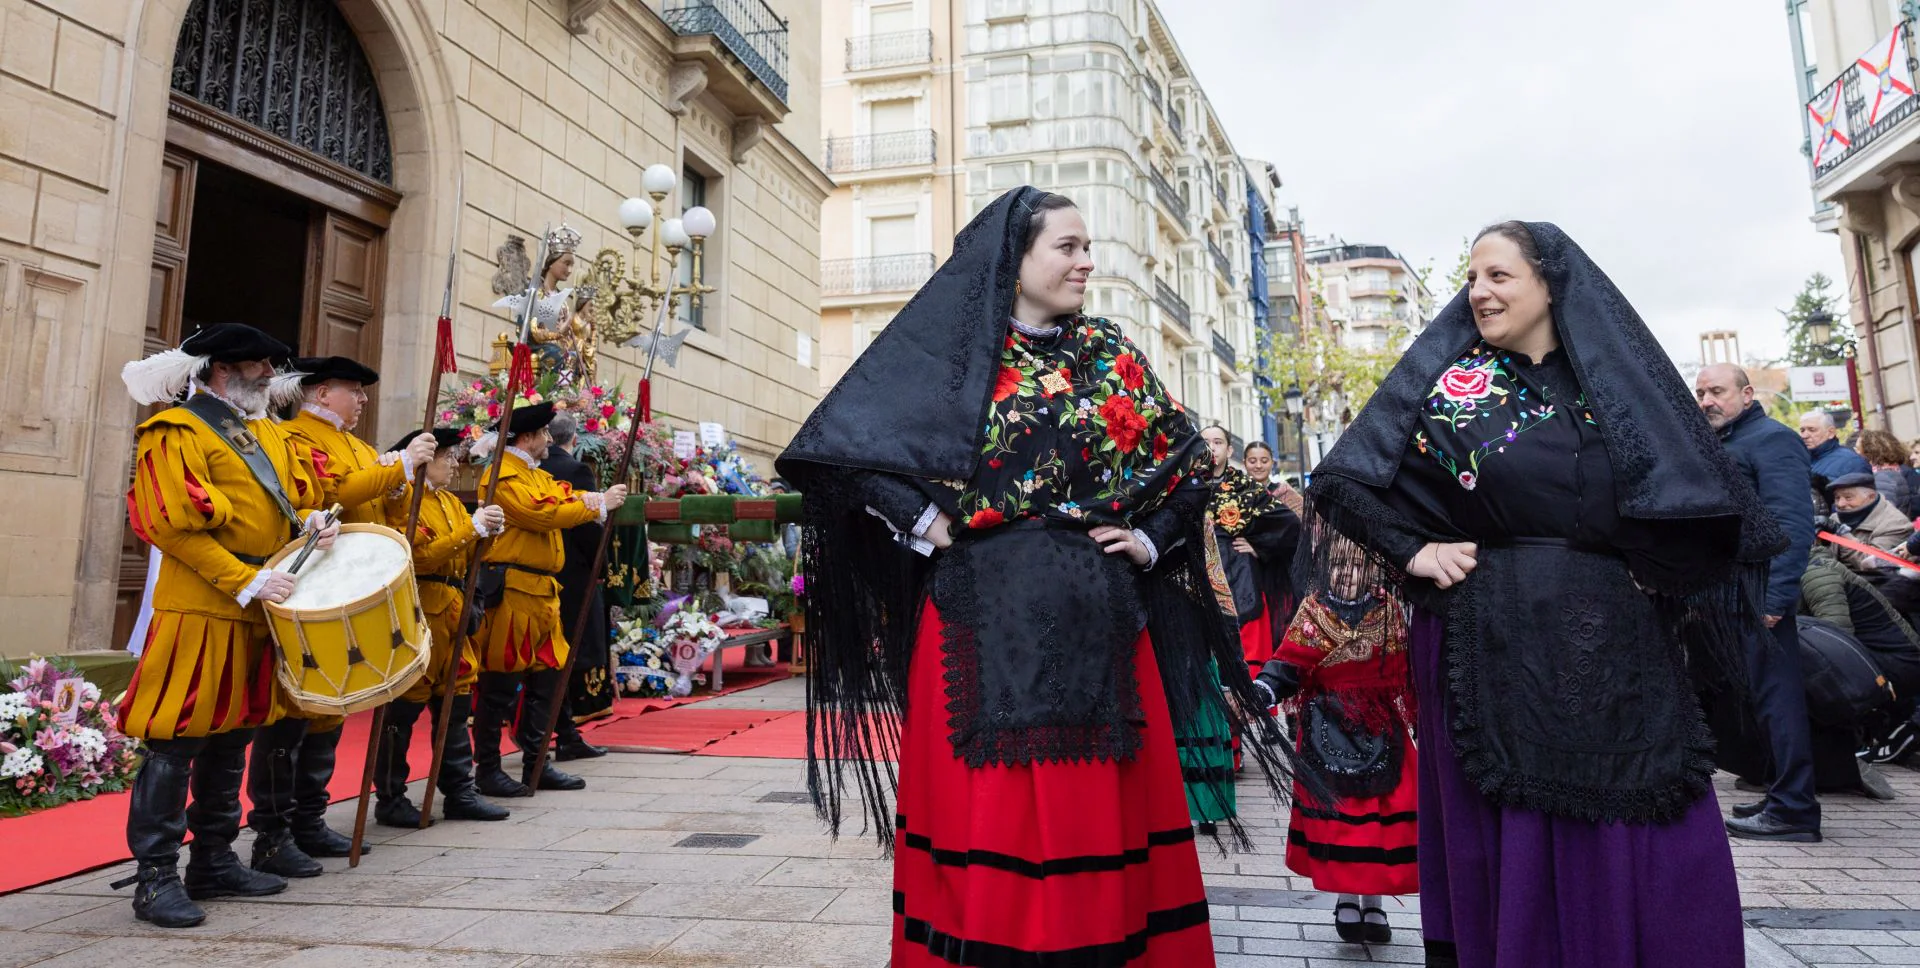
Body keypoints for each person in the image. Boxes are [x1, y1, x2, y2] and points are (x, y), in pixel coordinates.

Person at [778, 187, 1286, 966]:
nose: (1087, 261)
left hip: (1102, 618)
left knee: (1099, 811)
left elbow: (1191, 466)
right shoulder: (948, 356)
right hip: (978, 618)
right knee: (991, 815)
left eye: (1088, 247)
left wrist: (1149, 541)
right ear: (1013, 262)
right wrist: (928, 525)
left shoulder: (1109, 354)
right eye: (1069, 246)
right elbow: (839, 453)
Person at [1305, 222, 1783, 966]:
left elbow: (1699, 501)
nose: (1480, 292)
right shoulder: (1447, 389)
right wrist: (1416, 550)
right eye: (1472, 279)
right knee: (1514, 835)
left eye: (1499, 275)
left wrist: (1659, 568)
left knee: (1644, 822)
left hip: (1617, 644)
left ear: (1550, 281)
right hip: (1488, 639)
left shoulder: (1617, 382)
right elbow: (1344, 481)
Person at [114, 323, 339, 927]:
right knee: (176, 740)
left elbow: (275, 503)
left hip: (255, 608)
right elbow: (169, 523)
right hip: (202, 608)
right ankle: (155, 878)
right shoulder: (175, 430)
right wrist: (245, 579)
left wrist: (310, 522)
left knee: (234, 734)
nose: (270, 374)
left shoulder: (259, 432)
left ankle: (212, 859)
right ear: (220, 370)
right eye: (259, 365)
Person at [245, 357, 437, 876]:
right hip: (312, 582)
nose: (364, 399)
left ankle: (309, 819)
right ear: (324, 392)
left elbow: (382, 510)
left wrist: (401, 482)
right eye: (355, 390)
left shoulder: (355, 444)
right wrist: (395, 466)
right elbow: (334, 494)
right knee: (293, 714)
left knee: (330, 709)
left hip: (350, 582)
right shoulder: (296, 436)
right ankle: (274, 826)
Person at [1252, 536, 1416, 944]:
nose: (1348, 573)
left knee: (1379, 820)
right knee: (1343, 820)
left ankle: (1375, 903)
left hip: (1382, 729)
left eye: (1358, 565)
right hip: (1327, 725)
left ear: (1374, 570)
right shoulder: (1313, 611)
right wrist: (1263, 690)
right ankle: (1346, 898)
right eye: (1339, 564)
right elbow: (1287, 664)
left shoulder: (1390, 611)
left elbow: (1410, 671)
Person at [471, 401, 627, 797]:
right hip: (513, 591)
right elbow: (542, 513)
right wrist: (596, 503)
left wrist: (596, 499)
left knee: (549, 678)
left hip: (542, 592)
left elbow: (563, 494)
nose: (547, 440)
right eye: (542, 434)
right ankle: (488, 770)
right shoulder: (501, 477)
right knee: (501, 683)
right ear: (527, 438)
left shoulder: (531, 473)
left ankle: (536, 764)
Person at [1695, 363, 1822, 845]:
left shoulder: (1771, 438)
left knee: (1778, 702)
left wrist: (1774, 597)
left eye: (1718, 391)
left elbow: (1791, 522)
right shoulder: (1728, 442)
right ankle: (1780, 795)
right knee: (1759, 703)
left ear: (1746, 394)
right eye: (1702, 391)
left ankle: (1794, 809)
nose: (1707, 399)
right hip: (1730, 591)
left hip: (1758, 592)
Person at [371, 428, 512, 827]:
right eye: (445, 456)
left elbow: (465, 556)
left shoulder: (451, 501)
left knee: (455, 704)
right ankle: (391, 796)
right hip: (420, 611)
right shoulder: (402, 499)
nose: (452, 463)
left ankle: (460, 791)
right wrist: (473, 529)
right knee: (404, 709)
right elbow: (421, 557)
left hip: (454, 610)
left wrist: (486, 533)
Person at [542, 413, 614, 757]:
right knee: (568, 652)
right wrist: (603, 565)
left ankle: (550, 729)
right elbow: (588, 526)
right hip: (572, 575)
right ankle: (563, 731)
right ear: (574, 437)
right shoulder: (577, 471)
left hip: (541, 573)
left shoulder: (535, 470)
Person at [1238, 440, 1304, 628]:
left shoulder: (1286, 494)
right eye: (1252, 460)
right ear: (1244, 463)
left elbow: (1300, 533)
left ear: (1272, 463)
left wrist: (1259, 547)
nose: (1258, 465)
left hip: (1280, 574)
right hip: (1245, 574)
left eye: (1264, 460)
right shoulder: (1235, 494)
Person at [1826, 472, 1914, 578]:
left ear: (1871, 497)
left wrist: (1844, 536)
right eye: (1837, 498)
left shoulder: (1896, 524)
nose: (1840, 504)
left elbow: (1873, 565)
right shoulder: (1835, 518)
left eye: (1848, 498)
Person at [1858, 428, 1918, 517]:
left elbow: (1882, 513)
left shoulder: (1884, 476)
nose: (1858, 454)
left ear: (1870, 452)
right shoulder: (1893, 471)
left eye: (1860, 450)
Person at [1802, 410, 1872, 481]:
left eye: (1812, 430)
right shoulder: (1800, 461)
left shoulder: (1852, 462)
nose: (1804, 435)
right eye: (1802, 430)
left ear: (1830, 432)